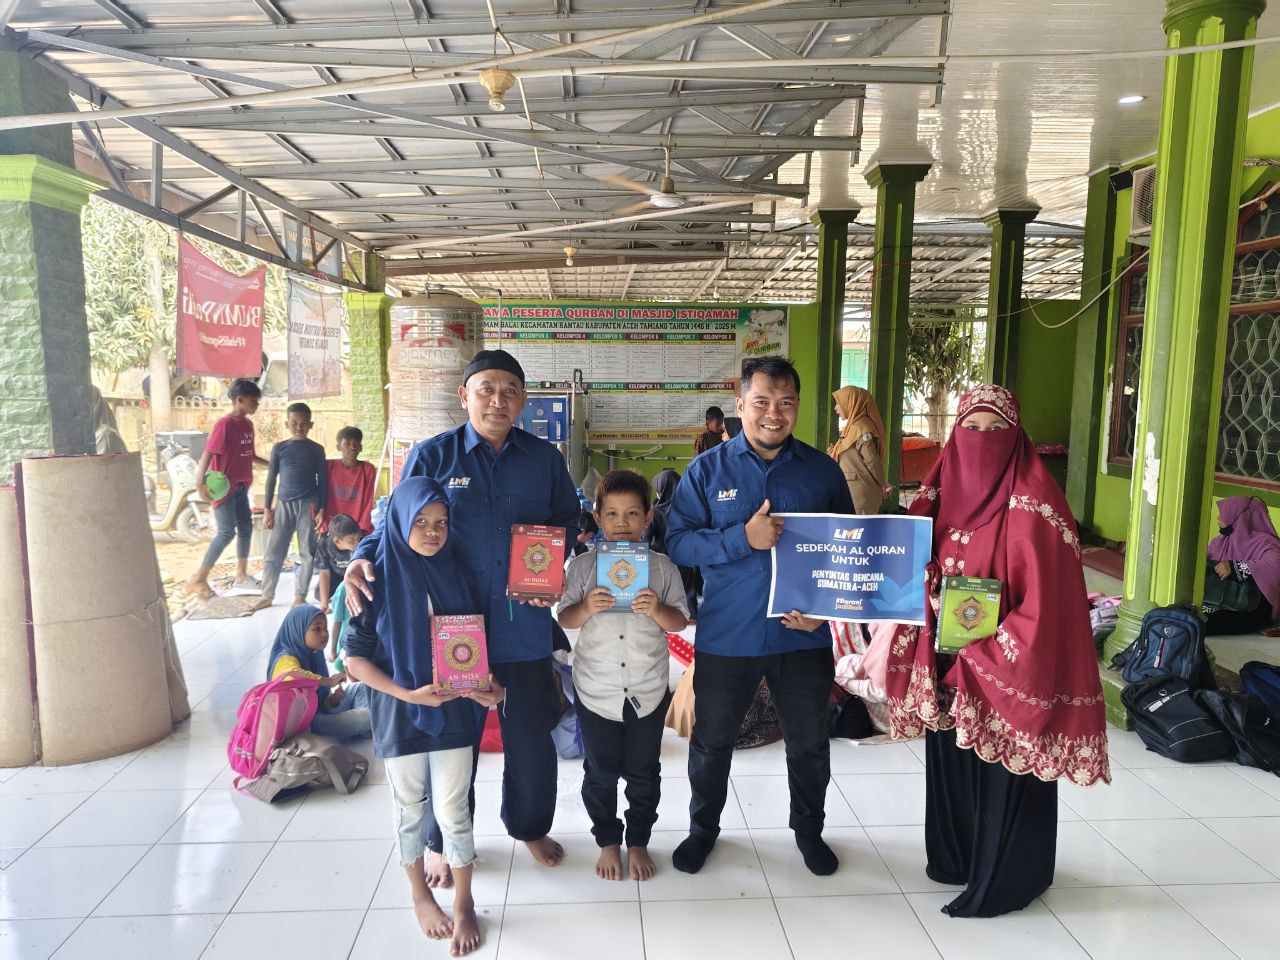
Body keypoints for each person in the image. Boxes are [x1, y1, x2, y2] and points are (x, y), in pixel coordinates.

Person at [345, 349, 579, 882]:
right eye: (487, 389)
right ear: (465, 395)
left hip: (523, 626)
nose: (499, 401)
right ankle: (442, 839)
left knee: (530, 738)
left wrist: (555, 571)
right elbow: (394, 524)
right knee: (452, 739)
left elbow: (567, 522)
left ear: (524, 399)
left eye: (511, 391)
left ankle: (530, 826)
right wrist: (360, 557)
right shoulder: (433, 456)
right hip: (451, 626)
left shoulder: (545, 459)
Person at [883, 384, 1109, 919]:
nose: (982, 440)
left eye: (996, 429)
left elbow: (1049, 608)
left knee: (1004, 772)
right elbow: (903, 568)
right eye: (972, 427)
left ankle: (1004, 879)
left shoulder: (1037, 508)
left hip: (1003, 671)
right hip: (945, 664)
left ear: (1017, 437)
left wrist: (986, 654)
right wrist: (926, 588)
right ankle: (956, 860)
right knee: (954, 765)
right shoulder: (934, 500)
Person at [665, 355, 855, 876]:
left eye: (786, 403)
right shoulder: (706, 471)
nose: (774, 413)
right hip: (730, 635)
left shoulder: (823, 472)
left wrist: (826, 610)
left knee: (809, 743)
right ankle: (703, 830)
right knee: (711, 742)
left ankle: (809, 830)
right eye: (762, 402)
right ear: (740, 404)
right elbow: (678, 544)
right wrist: (739, 538)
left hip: (803, 638)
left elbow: (849, 552)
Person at [342, 478, 501, 956]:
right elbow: (353, 661)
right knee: (409, 809)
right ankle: (420, 896)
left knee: (454, 811)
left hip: (453, 712)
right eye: (421, 522)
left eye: (441, 523)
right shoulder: (373, 579)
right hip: (399, 714)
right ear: (399, 521)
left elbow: (473, 650)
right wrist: (408, 695)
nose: (433, 533)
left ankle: (464, 903)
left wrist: (487, 689)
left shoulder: (458, 573)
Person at [557, 469, 689, 882]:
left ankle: (638, 840)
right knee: (600, 772)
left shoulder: (663, 568)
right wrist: (587, 608)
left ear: (648, 517)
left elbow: (680, 621)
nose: (622, 523)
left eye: (632, 513)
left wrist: (657, 611)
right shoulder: (582, 568)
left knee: (644, 771)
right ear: (597, 517)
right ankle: (607, 840)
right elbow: (564, 615)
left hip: (647, 692)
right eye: (612, 514)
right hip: (597, 691)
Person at [186, 378, 268, 600]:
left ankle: (241, 573)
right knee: (225, 532)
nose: (256, 405)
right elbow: (208, 453)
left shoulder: (248, 425)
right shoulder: (225, 424)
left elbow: (249, 455)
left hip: (242, 485)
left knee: (245, 527)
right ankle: (199, 578)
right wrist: (200, 482)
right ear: (239, 400)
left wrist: (272, 465)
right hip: (223, 488)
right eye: (253, 401)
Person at [252, 402, 328, 611]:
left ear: (310, 424)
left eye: (304, 423)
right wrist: (268, 508)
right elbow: (271, 480)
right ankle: (267, 595)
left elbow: (323, 481)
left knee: (307, 553)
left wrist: (321, 509)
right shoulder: (280, 448)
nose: (299, 427)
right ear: (287, 423)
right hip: (284, 504)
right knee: (273, 551)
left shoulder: (316, 450)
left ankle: (300, 596)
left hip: (308, 505)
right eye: (294, 423)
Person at [265, 604, 371, 742]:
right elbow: (293, 676)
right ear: (299, 630)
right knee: (368, 716)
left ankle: (360, 722)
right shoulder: (286, 658)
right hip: (308, 726)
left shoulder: (313, 653)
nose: (324, 633)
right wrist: (328, 681)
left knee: (363, 688)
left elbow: (320, 701)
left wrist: (333, 701)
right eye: (316, 629)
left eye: (325, 627)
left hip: (320, 713)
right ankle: (362, 722)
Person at [1205, 496, 1280, 634]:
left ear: (1240, 518)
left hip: (1251, 610)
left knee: (1200, 625)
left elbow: (1275, 566)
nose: (1218, 518)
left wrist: (1236, 567)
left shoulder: (1267, 543)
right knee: (1186, 617)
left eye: (1223, 514)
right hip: (1217, 603)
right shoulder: (1219, 542)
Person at [646, 468, 700, 619]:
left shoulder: (654, 513)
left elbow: (645, 540)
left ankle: (667, 619)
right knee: (688, 590)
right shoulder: (691, 512)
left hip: (661, 561)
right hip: (685, 559)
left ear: (661, 490)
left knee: (663, 594)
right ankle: (691, 616)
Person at [828, 385, 890, 515]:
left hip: (861, 496)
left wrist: (883, 484)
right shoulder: (853, 427)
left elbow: (872, 460)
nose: (836, 408)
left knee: (860, 533)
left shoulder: (862, 428)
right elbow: (854, 455)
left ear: (850, 403)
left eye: (838, 403)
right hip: (853, 493)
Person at [327, 425, 377, 535]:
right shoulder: (329, 466)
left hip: (357, 529)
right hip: (333, 528)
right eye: (347, 443)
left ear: (361, 447)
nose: (352, 447)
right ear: (338, 447)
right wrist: (326, 528)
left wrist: (361, 530)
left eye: (356, 443)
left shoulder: (368, 470)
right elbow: (320, 496)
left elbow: (368, 502)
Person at [315, 513, 361, 613]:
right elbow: (324, 572)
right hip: (336, 574)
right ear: (337, 541)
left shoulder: (362, 543)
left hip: (355, 574)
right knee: (319, 594)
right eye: (351, 540)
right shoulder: (324, 543)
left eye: (358, 537)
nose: (357, 542)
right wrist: (324, 604)